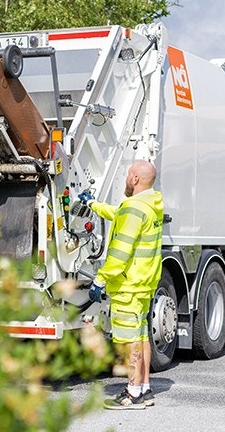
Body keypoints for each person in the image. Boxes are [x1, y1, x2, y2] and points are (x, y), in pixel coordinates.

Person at [79, 160, 164, 410]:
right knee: (141, 337)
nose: (126, 178)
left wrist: (100, 279)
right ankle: (145, 389)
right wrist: (92, 205)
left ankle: (132, 393)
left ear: (136, 179)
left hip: (128, 286)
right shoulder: (150, 205)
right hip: (143, 285)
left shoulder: (134, 208)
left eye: (128, 174)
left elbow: (120, 251)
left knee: (129, 342)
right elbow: (118, 215)